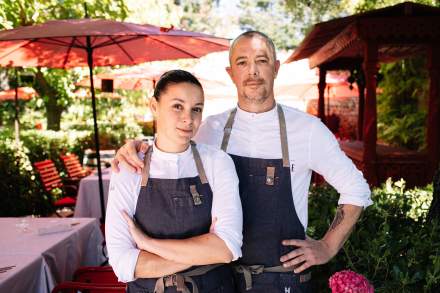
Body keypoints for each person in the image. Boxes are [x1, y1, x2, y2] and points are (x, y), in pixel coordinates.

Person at [112, 31, 373, 292]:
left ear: (276, 68)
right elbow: (172, 149)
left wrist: (327, 246)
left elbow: (356, 190)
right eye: (242, 62)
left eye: (262, 60)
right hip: (221, 279)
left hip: (281, 280)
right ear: (230, 73)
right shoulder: (211, 129)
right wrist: (136, 148)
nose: (253, 71)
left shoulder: (306, 130)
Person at [106, 70, 243, 293]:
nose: (188, 118)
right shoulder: (129, 169)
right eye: (177, 106)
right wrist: (206, 251)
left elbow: (228, 248)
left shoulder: (218, 162)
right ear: (154, 106)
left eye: (196, 109)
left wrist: (148, 244)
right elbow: (123, 263)